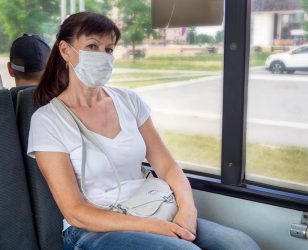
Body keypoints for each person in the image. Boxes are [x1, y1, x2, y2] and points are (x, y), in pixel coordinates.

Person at [27, 12, 260, 250]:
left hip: (153, 207)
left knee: (241, 245)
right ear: (66, 51)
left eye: (108, 50)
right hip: (92, 230)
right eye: (92, 46)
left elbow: (168, 167)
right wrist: (152, 227)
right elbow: (75, 211)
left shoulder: (129, 101)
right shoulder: (47, 121)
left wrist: (188, 210)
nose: (102, 56)